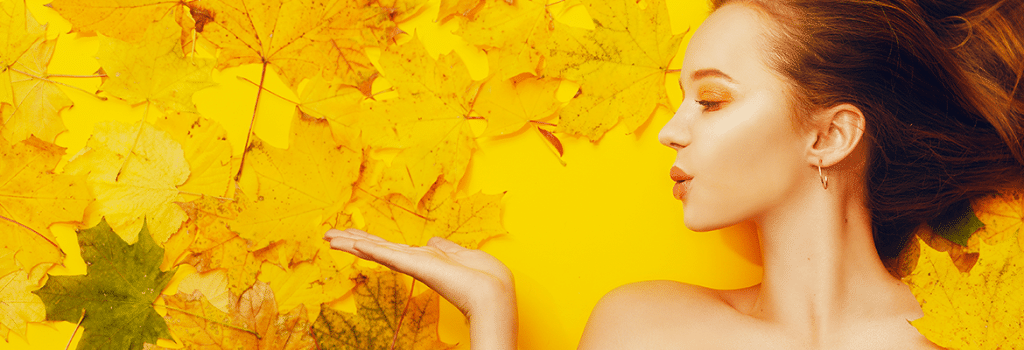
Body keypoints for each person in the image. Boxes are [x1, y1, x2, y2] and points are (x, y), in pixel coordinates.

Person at [324, 0, 1024, 348]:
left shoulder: (966, 339)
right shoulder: (644, 326)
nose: (671, 129)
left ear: (831, 134)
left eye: (713, 99)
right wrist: (492, 317)